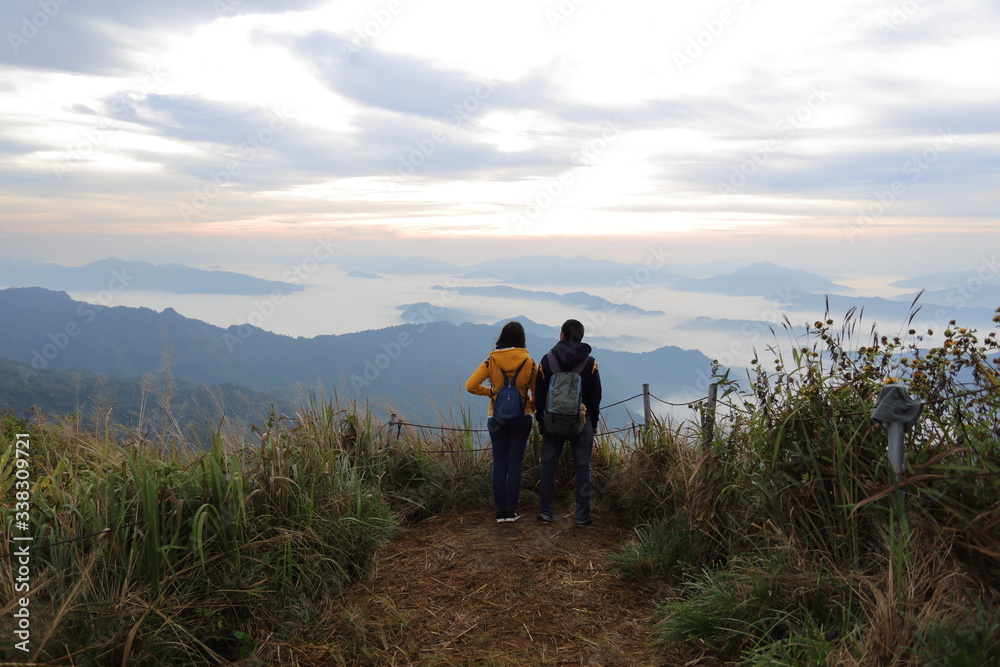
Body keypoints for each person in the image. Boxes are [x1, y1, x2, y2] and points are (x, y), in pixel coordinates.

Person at [466, 321, 536, 523]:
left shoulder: (491, 361)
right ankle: (511, 511)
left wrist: (490, 394)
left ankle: (500, 512)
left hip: (496, 418)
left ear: (502, 338)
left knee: (499, 462)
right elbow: (537, 393)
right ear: (522, 339)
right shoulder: (530, 362)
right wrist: (530, 405)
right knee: (515, 463)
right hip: (522, 417)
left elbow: (470, 385)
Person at [534, 319, 602, 527]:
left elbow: (539, 396)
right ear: (581, 337)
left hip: (553, 422)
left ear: (562, 335)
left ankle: (546, 513)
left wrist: (542, 424)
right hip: (582, 422)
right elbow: (595, 396)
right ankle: (581, 516)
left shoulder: (547, 361)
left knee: (548, 467)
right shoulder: (590, 363)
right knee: (582, 468)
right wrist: (593, 422)